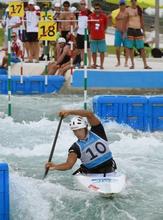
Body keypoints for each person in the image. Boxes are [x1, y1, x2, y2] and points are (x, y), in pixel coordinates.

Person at [45, 110, 117, 175]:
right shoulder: (75, 147)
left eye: (79, 130)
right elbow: (68, 165)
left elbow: (89, 114)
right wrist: (55, 167)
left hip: (110, 169)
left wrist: (69, 112)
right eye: (75, 131)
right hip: (92, 174)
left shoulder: (98, 132)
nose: (77, 133)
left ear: (85, 127)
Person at [125, 0, 151, 69]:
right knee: (130, 48)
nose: (134, 2)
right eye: (132, 1)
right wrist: (124, 31)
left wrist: (144, 31)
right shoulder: (127, 9)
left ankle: (145, 64)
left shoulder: (139, 9)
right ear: (131, 1)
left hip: (138, 30)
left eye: (135, 1)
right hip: (130, 30)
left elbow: (142, 20)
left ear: (136, 1)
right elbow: (126, 21)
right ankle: (132, 64)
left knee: (141, 48)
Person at [88, 3, 108, 69]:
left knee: (102, 52)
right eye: (96, 8)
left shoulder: (104, 16)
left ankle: (101, 65)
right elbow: (89, 26)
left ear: (100, 9)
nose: (97, 10)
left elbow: (105, 26)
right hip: (93, 37)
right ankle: (94, 64)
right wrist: (90, 35)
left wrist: (101, 31)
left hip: (101, 37)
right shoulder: (90, 16)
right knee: (94, 52)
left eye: (98, 8)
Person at [112, 0, 129, 67]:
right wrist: (113, 24)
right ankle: (118, 62)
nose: (122, 6)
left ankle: (126, 62)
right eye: (121, 4)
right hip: (118, 31)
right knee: (117, 48)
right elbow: (111, 18)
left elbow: (129, 21)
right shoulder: (116, 12)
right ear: (119, 5)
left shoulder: (127, 12)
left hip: (125, 32)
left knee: (126, 47)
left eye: (123, 4)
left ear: (125, 5)